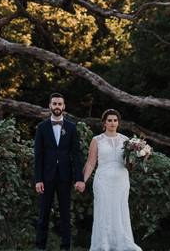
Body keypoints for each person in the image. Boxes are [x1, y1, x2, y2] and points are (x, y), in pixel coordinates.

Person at [81, 109, 142, 251]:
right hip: (103, 180)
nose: (112, 123)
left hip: (121, 180)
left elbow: (129, 164)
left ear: (118, 122)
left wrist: (140, 157)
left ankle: (122, 244)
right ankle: (103, 245)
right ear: (104, 123)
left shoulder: (126, 140)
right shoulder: (97, 140)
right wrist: (83, 181)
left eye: (115, 120)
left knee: (120, 210)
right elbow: (90, 163)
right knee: (103, 211)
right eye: (109, 120)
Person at [33, 93, 85, 250]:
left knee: (65, 215)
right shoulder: (42, 128)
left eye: (59, 104)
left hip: (65, 176)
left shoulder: (71, 127)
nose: (57, 106)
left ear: (64, 107)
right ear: (49, 106)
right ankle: (40, 247)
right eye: (54, 103)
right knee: (43, 214)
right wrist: (38, 179)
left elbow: (76, 154)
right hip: (46, 177)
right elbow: (38, 155)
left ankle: (65, 247)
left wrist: (79, 178)